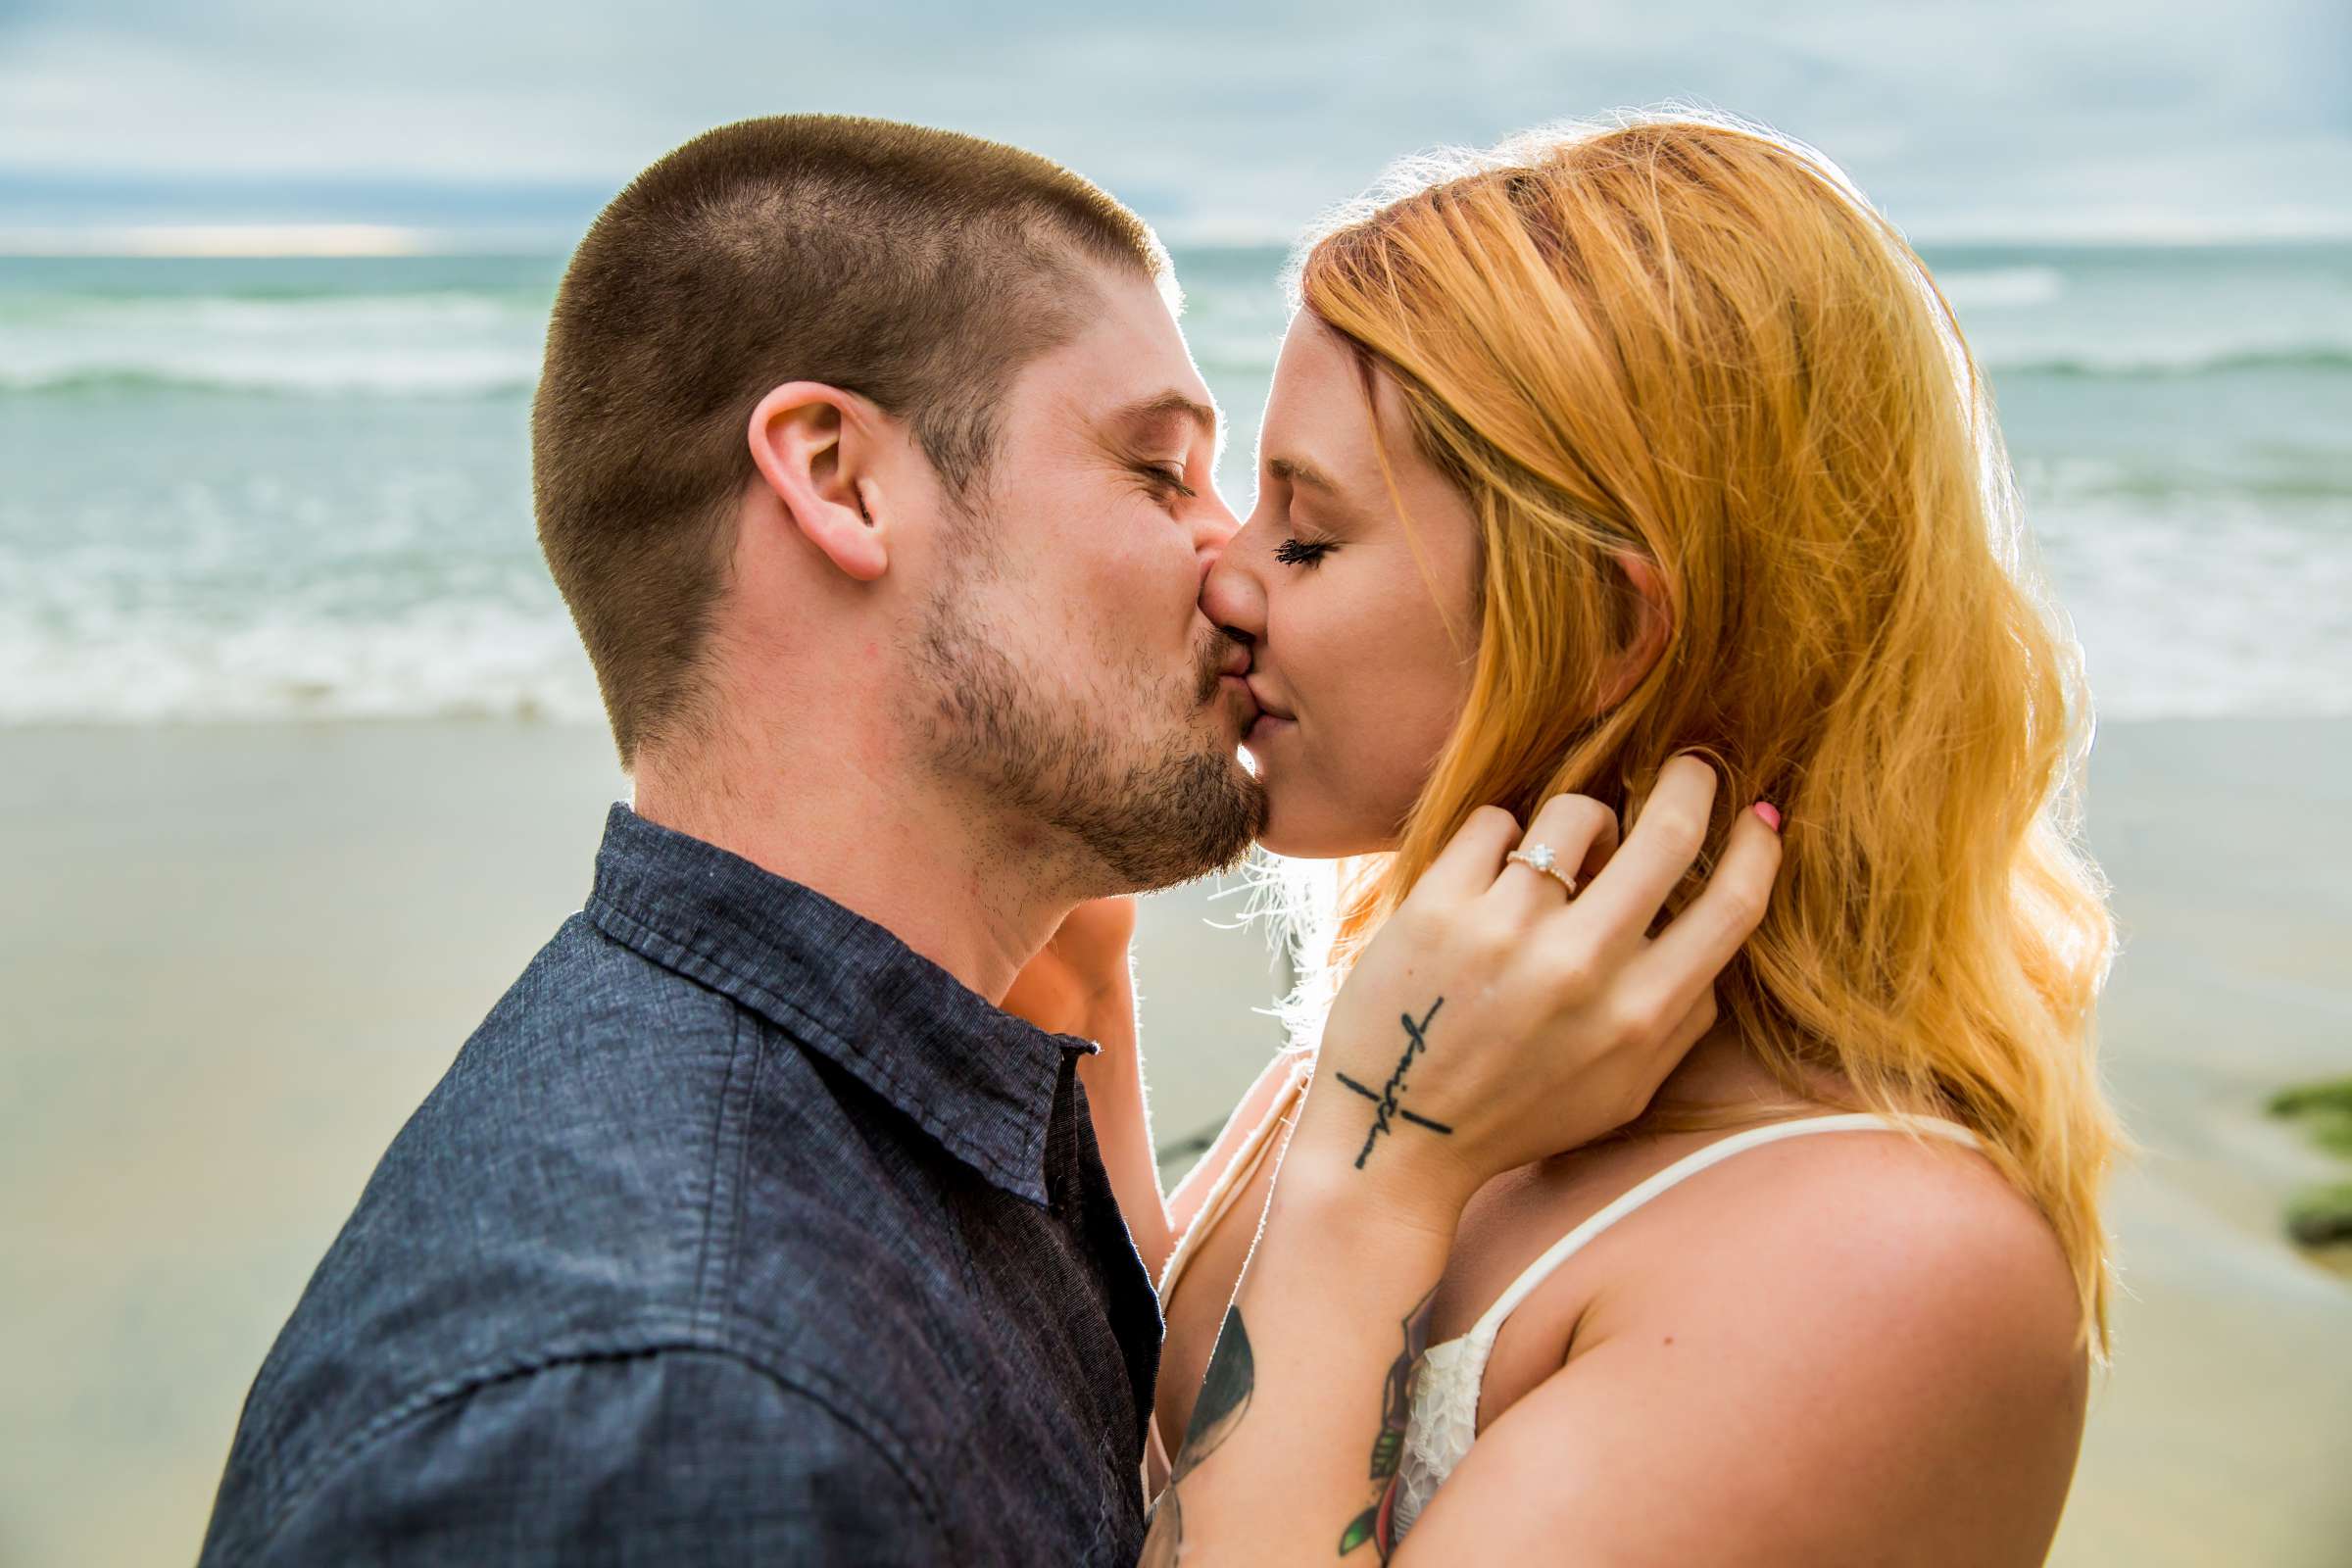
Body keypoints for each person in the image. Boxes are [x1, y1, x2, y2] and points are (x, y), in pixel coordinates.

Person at [194, 114, 1775, 1565]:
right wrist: (1371, 1193)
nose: (1233, 567)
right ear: (839, 481)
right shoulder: (664, 1416)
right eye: (1160, 469)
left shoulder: (926, 1104)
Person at [1024, 113, 2122, 1564]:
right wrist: (1081, 985)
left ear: (1610, 630)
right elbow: (1185, 1456)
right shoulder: (1446, 1039)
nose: (1223, 579)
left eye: (1307, 534)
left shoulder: (1887, 1264)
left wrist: (1374, 1184)